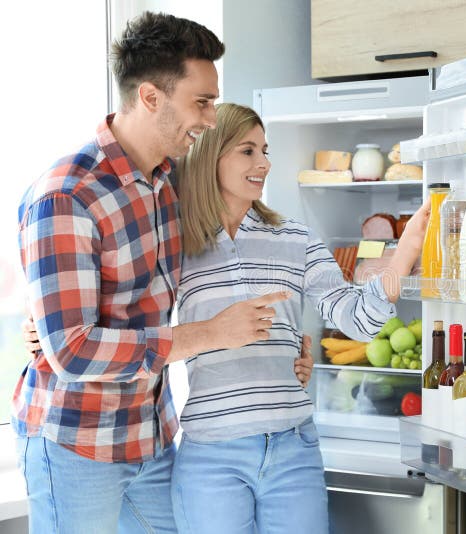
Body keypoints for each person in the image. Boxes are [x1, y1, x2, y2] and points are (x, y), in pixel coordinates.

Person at [14, 12, 298, 534]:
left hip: (150, 436)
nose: (210, 119)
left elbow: (216, 264)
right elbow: (72, 349)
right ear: (150, 97)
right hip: (76, 442)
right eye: (202, 102)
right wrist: (212, 335)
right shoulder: (67, 196)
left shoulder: (167, 183)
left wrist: (284, 355)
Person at [166, 102, 430, 534]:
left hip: (293, 447)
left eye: (265, 150)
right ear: (210, 154)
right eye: (247, 151)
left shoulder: (294, 238)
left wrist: (405, 255)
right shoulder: (176, 240)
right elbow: (142, 333)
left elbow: (356, 320)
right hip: (211, 455)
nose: (264, 164)